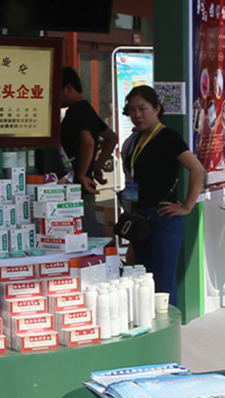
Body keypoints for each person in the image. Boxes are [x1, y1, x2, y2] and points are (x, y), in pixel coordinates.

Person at [120, 85, 204, 307]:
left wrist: (186, 206)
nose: (137, 115)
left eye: (142, 108)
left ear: (157, 108)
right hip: (139, 218)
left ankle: (169, 336)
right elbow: (132, 177)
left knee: (162, 285)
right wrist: (130, 210)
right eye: (131, 110)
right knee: (140, 281)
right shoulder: (135, 141)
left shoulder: (167, 137)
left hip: (162, 218)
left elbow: (197, 170)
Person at [57, 66, 118, 237]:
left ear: (68, 87)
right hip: (84, 185)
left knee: (80, 233)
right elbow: (111, 138)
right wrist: (96, 167)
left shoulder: (75, 113)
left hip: (76, 187)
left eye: (57, 91)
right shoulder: (87, 109)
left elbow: (88, 141)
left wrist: (82, 173)